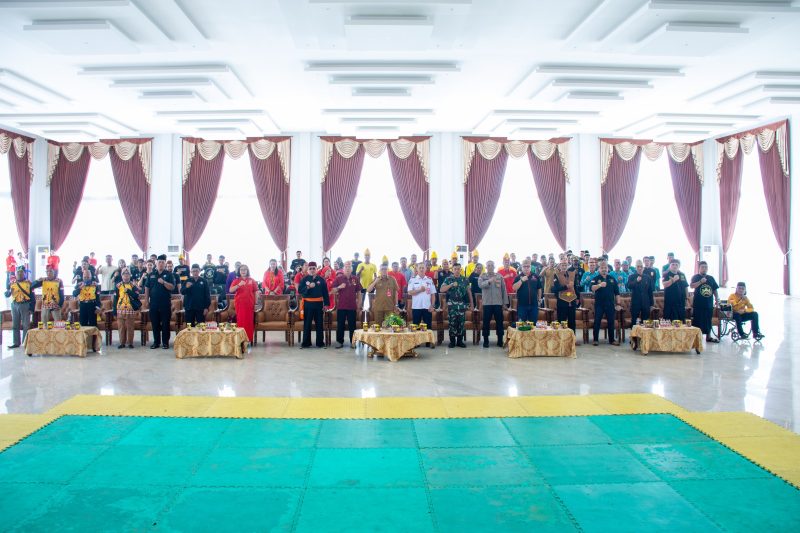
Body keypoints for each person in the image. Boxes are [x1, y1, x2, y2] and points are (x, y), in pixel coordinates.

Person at [144, 254, 175, 349]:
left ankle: (165, 343)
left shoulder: (169, 275)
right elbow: (147, 288)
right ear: (156, 263)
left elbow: (172, 287)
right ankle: (156, 342)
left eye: (162, 262)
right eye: (159, 262)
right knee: (155, 323)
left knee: (165, 323)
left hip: (165, 303)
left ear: (165, 264)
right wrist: (146, 300)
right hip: (153, 303)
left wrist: (164, 282)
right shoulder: (151, 275)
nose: (160, 264)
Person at [478, 260, 509, 347]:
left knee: (499, 322)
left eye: (492, 265)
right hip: (487, 303)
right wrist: (489, 281)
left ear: (494, 267)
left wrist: (505, 303)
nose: (490, 267)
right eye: (489, 265)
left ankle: (499, 340)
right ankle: (486, 340)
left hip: (497, 303)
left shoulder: (499, 276)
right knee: (486, 323)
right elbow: (480, 285)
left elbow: (504, 290)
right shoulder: (483, 276)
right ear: (486, 267)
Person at [440, 262, 472, 348]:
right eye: (455, 269)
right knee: (452, 322)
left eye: (458, 269)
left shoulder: (465, 279)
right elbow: (442, 289)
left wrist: (472, 304)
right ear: (452, 270)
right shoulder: (448, 279)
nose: (457, 271)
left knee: (461, 323)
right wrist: (450, 285)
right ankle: (452, 341)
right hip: (452, 304)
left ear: (460, 270)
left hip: (462, 304)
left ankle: (460, 341)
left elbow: (469, 292)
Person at [298, 262, 329, 348]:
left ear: (316, 269)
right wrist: (308, 287)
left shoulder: (321, 280)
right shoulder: (304, 279)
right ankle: (306, 343)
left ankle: (320, 343)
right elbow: (300, 290)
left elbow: (325, 293)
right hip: (308, 304)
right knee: (307, 323)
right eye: (310, 268)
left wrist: (326, 304)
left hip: (319, 304)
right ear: (308, 270)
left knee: (319, 323)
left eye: (313, 268)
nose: (312, 270)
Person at [332, 262, 360, 349]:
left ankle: (353, 342)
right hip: (342, 306)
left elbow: (359, 292)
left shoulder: (355, 278)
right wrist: (339, 287)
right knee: (340, 325)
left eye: (349, 267)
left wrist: (359, 304)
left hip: (352, 306)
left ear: (352, 269)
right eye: (346, 267)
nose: (347, 269)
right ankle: (339, 341)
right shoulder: (338, 278)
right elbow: (333, 291)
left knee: (352, 325)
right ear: (343, 269)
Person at [591, 262, 620, 346]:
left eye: (605, 268)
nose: (604, 269)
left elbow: (617, 293)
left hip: (610, 304)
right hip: (599, 304)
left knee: (611, 322)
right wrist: (599, 285)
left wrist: (618, 303)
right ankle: (595, 339)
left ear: (608, 269)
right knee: (597, 321)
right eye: (602, 268)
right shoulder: (595, 278)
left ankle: (612, 340)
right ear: (599, 269)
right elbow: (592, 288)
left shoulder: (612, 279)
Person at [690, 261, 720, 343]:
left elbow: (714, 290)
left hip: (708, 303)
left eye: (705, 267)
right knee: (697, 320)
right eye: (702, 267)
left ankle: (708, 337)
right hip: (698, 303)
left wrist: (717, 299)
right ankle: (696, 338)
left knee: (708, 320)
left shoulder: (711, 278)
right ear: (699, 268)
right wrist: (700, 282)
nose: (704, 269)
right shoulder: (695, 277)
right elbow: (692, 286)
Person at [4, 266, 32, 349]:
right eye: (18, 272)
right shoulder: (12, 283)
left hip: (25, 305)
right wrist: (8, 292)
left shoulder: (28, 283)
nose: (20, 274)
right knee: (15, 325)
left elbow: (32, 297)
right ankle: (16, 342)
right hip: (15, 304)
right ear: (15, 274)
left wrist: (31, 308)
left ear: (24, 274)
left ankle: (25, 343)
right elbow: (7, 294)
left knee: (26, 325)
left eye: (21, 272)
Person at [229, 264, 258, 342]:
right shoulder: (236, 280)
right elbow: (231, 290)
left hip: (250, 304)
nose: (243, 271)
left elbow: (256, 292)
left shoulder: (252, 280)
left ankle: (249, 340)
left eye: (245, 269)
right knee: (241, 321)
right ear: (239, 271)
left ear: (247, 271)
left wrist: (255, 303)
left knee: (249, 322)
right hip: (240, 304)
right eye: (241, 270)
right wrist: (238, 285)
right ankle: (241, 340)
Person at [113, 268, 140, 349]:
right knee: (121, 327)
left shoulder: (133, 285)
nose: (126, 275)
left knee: (130, 327)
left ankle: (130, 343)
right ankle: (122, 343)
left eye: (128, 274)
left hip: (130, 308)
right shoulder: (118, 285)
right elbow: (115, 299)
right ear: (121, 275)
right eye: (124, 274)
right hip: (120, 309)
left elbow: (136, 296)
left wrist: (129, 291)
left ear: (130, 275)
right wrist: (114, 311)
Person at [553, 260, 580, 335]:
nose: (564, 267)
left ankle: (572, 338)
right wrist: (566, 286)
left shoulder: (572, 274)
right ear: (559, 266)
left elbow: (575, 287)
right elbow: (555, 288)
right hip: (562, 301)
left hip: (572, 300)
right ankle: (562, 338)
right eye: (562, 265)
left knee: (572, 321)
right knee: (562, 320)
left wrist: (578, 297)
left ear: (567, 266)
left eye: (565, 265)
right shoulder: (556, 275)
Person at [513, 259, 542, 324]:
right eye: (524, 266)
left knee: (533, 324)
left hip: (534, 305)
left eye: (528, 266)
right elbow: (514, 288)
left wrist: (539, 299)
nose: (526, 268)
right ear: (522, 267)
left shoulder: (535, 276)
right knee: (521, 325)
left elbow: (539, 288)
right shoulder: (518, 277)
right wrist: (521, 280)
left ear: (531, 267)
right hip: (522, 305)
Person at [407, 263, 435, 330]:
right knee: (416, 328)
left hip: (427, 307)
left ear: (425, 269)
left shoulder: (429, 280)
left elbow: (433, 294)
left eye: (423, 268)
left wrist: (432, 305)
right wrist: (419, 290)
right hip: (416, 307)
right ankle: (417, 341)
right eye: (420, 268)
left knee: (428, 328)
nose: (421, 269)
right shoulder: (412, 280)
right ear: (417, 269)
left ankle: (428, 341)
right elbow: (410, 292)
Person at [627, 260, 654, 325]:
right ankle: (634, 335)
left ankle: (644, 335)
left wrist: (651, 304)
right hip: (635, 302)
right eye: (638, 266)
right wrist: (636, 281)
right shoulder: (632, 276)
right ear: (636, 268)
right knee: (634, 321)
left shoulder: (647, 277)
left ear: (643, 268)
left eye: (641, 266)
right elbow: (629, 286)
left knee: (645, 322)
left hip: (646, 302)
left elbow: (650, 292)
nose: (639, 268)